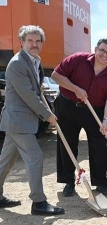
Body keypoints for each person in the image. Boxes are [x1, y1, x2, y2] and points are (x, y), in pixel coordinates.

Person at [0, 25, 64, 215]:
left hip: (18, 121)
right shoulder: (17, 63)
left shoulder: (34, 60)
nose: (34, 44)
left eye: (38, 41)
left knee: (6, 161)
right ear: (22, 42)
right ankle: (39, 202)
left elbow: (34, 89)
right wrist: (48, 114)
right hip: (18, 120)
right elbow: (27, 95)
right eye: (30, 41)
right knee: (35, 157)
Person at [52, 38, 107, 197]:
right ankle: (69, 181)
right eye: (102, 50)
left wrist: (106, 121)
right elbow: (56, 75)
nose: (105, 54)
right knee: (67, 144)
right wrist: (75, 89)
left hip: (94, 110)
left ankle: (101, 182)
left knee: (99, 146)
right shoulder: (78, 59)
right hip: (67, 105)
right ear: (96, 49)